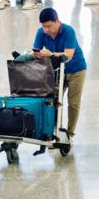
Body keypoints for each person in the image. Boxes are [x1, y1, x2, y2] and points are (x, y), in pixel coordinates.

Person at [31, 8, 88, 138]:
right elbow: (35, 51)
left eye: (49, 26)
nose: (46, 30)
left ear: (57, 22)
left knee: (73, 104)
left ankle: (70, 134)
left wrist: (50, 54)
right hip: (57, 71)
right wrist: (37, 54)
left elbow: (68, 55)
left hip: (76, 69)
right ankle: (53, 131)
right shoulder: (41, 33)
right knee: (53, 101)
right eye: (43, 26)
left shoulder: (68, 31)